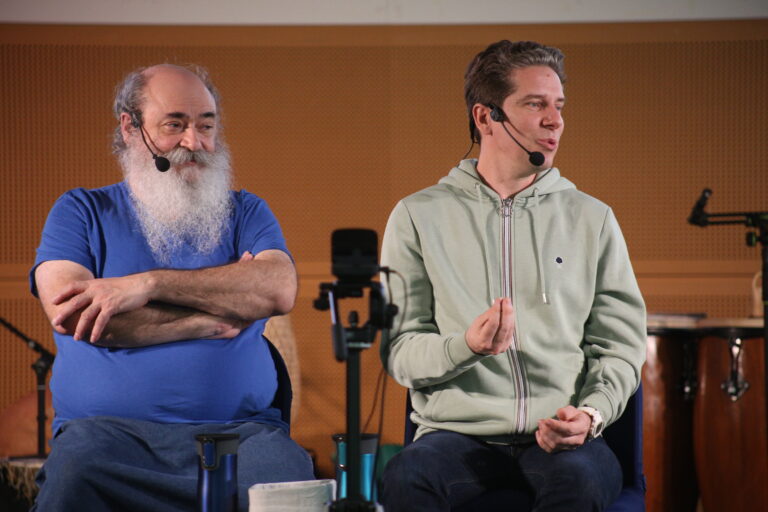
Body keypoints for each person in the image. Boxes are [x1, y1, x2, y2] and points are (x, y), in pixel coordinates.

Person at [29, 64, 314, 511]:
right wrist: (205, 320)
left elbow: (278, 289)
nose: (193, 143)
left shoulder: (246, 212)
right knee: (74, 472)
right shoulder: (80, 211)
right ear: (130, 127)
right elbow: (77, 315)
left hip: (242, 436)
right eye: (175, 125)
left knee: (289, 486)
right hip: (107, 442)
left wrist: (145, 285)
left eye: (206, 125)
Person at [379, 40, 646, 511]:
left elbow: (620, 347)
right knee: (406, 476)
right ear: (486, 118)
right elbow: (400, 351)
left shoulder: (593, 218)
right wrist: (467, 347)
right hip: (456, 437)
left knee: (578, 484)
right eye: (535, 104)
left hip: (565, 439)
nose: (554, 120)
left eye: (558, 106)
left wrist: (589, 413)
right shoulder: (418, 215)